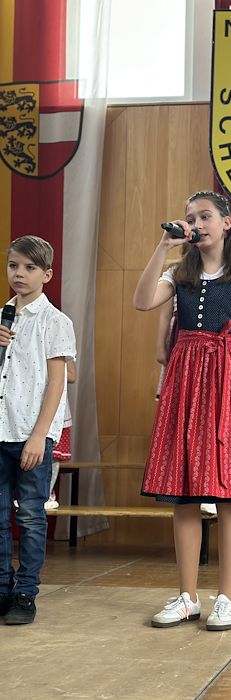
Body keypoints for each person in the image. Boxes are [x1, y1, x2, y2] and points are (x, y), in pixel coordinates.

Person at [133, 191, 231, 632]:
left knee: (230, 494)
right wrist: (164, 246)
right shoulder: (179, 272)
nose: (196, 224)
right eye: (191, 218)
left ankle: (228, 597)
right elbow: (141, 301)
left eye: (205, 216)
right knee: (185, 494)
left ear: (226, 222)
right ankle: (188, 596)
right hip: (185, 383)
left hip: (230, 383)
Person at [0, 236, 76, 624]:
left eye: (30, 268)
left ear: (46, 274)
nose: (20, 274)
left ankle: (25, 593)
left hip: (31, 433)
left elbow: (57, 383)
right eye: (14, 265)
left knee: (30, 516)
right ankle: (2, 589)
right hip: (0, 430)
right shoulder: (1, 317)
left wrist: (39, 435)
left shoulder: (55, 321)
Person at [154, 298, 216, 517]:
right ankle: (183, 483)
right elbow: (165, 313)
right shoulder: (177, 283)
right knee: (181, 422)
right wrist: (160, 345)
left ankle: (207, 490)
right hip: (181, 345)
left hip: (207, 351)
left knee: (206, 424)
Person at [45, 359, 76, 510]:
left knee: (54, 455)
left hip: (57, 408)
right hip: (28, 406)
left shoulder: (63, 348)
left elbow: (72, 375)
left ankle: (47, 492)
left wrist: (52, 370)